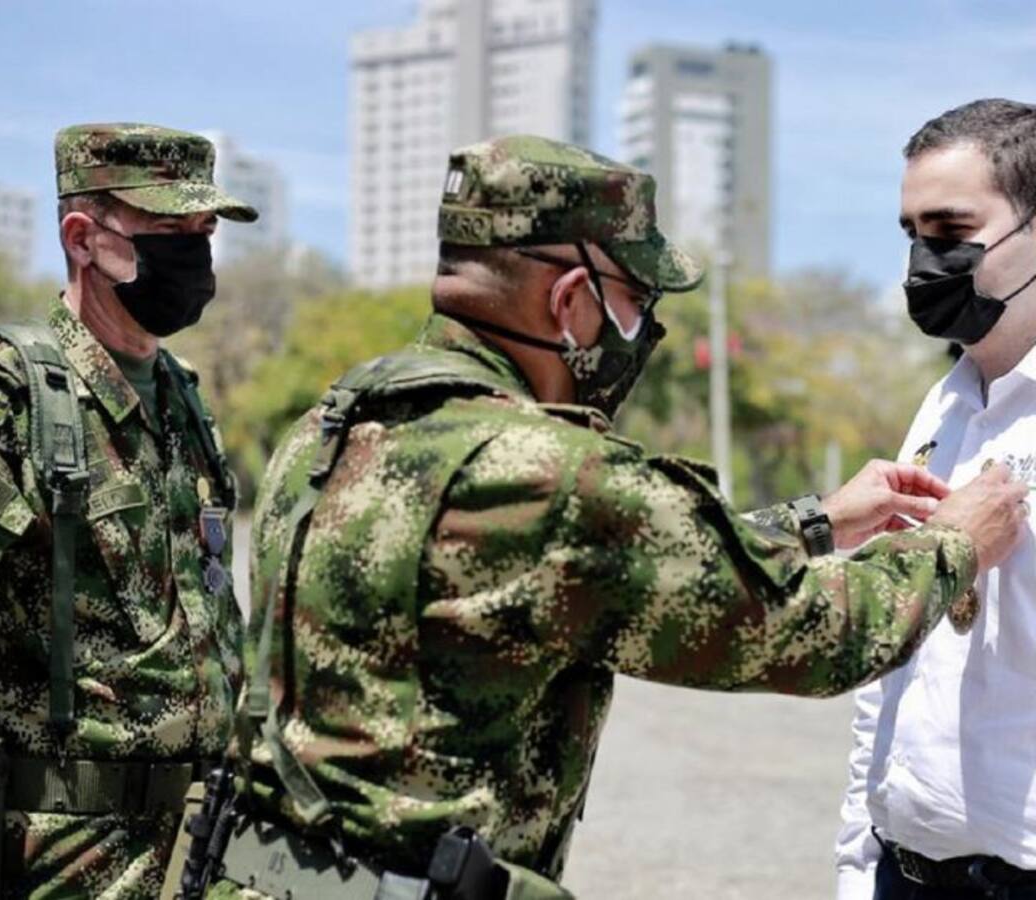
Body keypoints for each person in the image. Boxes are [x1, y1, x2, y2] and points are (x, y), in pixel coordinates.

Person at [171, 134, 1025, 900]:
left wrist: (815, 522)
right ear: (572, 299)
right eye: (635, 301)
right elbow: (811, 631)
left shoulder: (340, 423)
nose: (640, 330)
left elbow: (562, 569)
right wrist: (953, 544)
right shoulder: (550, 471)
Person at [0, 123, 251, 900]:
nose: (194, 254)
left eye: (202, 231)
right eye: (169, 229)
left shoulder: (181, 399)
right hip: (62, 864)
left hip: (197, 858)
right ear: (83, 237)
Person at [837, 100, 1036, 899]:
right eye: (911, 234)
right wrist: (859, 861)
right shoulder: (944, 407)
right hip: (907, 869)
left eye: (951, 232)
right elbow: (895, 668)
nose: (924, 261)